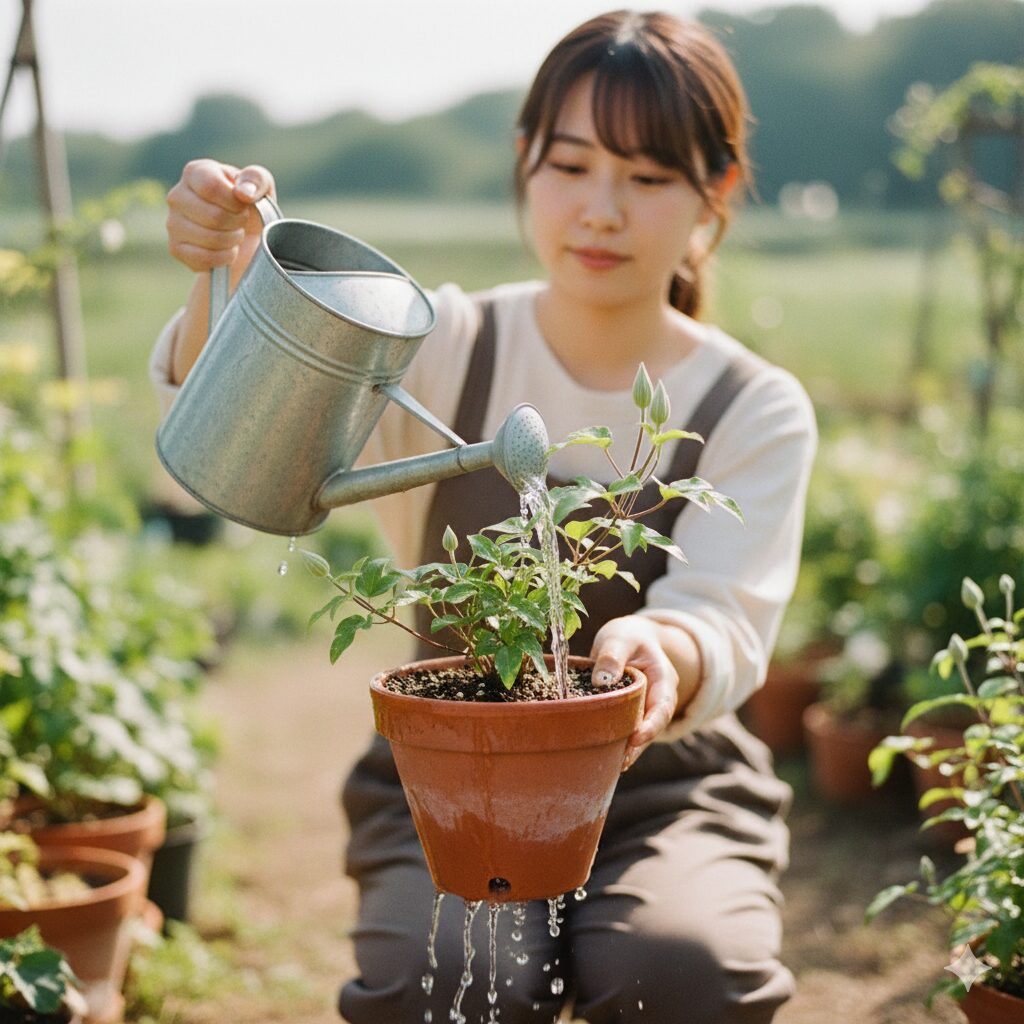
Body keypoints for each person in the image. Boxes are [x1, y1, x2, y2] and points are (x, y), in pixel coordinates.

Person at [151, 10, 816, 1023]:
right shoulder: (446, 344)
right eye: (571, 165)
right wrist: (218, 274)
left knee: (680, 970)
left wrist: (662, 653)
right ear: (524, 163)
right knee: (454, 983)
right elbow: (232, 443)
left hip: (666, 787)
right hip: (451, 777)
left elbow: (724, 612)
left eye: (645, 178)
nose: (600, 210)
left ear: (712, 195)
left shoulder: (751, 403)